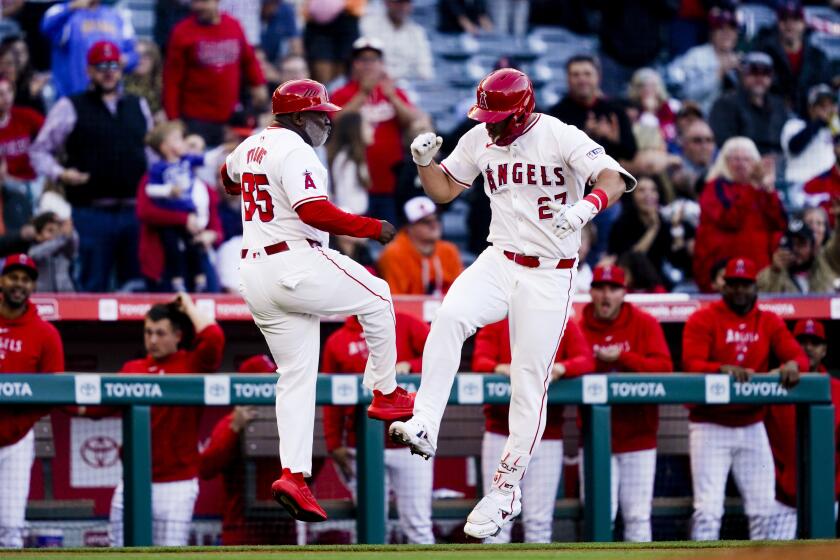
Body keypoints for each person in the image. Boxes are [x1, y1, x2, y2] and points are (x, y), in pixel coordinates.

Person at [388, 67, 636, 539]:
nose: (491, 124)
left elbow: (615, 178)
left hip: (551, 273)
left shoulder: (558, 133)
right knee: (449, 317)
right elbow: (443, 190)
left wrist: (588, 206)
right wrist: (424, 164)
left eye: (498, 116)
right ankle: (424, 422)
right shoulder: (481, 136)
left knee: (527, 380)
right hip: (499, 257)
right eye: (487, 116)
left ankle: (506, 488)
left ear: (521, 110)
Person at [222, 79, 413, 522]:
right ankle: (385, 391)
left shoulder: (251, 144)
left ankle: (294, 475)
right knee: (379, 294)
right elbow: (313, 211)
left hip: (255, 271)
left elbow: (227, 179)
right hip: (294, 260)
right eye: (318, 114)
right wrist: (369, 227)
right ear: (294, 116)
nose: (327, 120)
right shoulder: (293, 148)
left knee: (296, 377)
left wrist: (256, 187)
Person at [78, 293, 225, 546]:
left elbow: (214, 338)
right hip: (134, 481)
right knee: (119, 551)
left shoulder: (192, 364)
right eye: (148, 332)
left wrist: (188, 306)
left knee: (169, 553)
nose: (153, 340)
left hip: (176, 485)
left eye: (160, 333)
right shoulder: (132, 369)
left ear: (178, 336)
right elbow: (95, 408)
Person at [682, 257, 807, 541]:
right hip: (710, 425)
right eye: (734, 284)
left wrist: (793, 364)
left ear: (755, 287)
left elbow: (796, 354)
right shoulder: (704, 317)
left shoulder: (768, 320)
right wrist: (720, 368)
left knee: (764, 509)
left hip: (752, 423)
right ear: (724, 285)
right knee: (708, 512)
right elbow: (691, 363)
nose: (739, 290)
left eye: (745, 284)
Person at [30, 41, 151, 292]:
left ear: (120, 69)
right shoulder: (70, 106)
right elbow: (40, 151)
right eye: (101, 66)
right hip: (91, 213)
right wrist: (60, 173)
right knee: (91, 286)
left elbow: (151, 151)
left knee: (137, 288)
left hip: (135, 212)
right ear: (89, 71)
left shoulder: (138, 105)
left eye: (113, 65)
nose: (108, 72)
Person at [472, 316, 593, 543]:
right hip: (501, 434)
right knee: (495, 521)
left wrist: (563, 367)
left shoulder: (561, 321)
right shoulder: (499, 322)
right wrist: (497, 367)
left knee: (539, 523)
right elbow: (480, 360)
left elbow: (586, 360)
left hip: (547, 436)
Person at [578, 264, 672, 541]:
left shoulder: (644, 323)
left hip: (638, 440)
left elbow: (665, 369)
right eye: (600, 288)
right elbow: (567, 366)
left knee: (638, 518)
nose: (606, 295)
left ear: (624, 293)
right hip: (595, 442)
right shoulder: (578, 326)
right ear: (591, 292)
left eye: (613, 289)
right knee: (598, 517)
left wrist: (622, 357)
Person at [322, 312, 434, 544]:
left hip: (410, 441)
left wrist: (411, 364)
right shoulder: (338, 340)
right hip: (360, 446)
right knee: (371, 527)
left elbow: (442, 356)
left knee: (418, 524)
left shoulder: (407, 323)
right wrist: (334, 444)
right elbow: (330, 402)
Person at [0, 254, 63, 548]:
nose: (19, 284)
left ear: (33, 286)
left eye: (26, 279)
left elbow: (53, 392)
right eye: (13, 277)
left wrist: (18, 425)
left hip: (16, 441)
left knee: (10, 527)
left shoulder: (45, 334)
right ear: (2, 280)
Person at [198, 354, 291, 545]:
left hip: (284, 523)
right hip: (242, 524)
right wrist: (234, 429)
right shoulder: (230, 422)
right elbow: (206, 468)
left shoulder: (288, 419)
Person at [331, 37, 423, 225]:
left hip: (389, 182)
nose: (368, 65)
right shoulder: (342, 93)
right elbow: (335, 123)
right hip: (354, 183)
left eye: (373, 60)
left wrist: (392, 97)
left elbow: (413, 121)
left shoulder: (392, 92)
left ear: (382, 64)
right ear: (354, 64)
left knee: (388, 236)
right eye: (362, 60)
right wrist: (363, 94)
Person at [764, 319, 840, 540]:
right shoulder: (772, 386)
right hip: (781, 500)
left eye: (814, 343)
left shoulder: (837, 389)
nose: (807, 348)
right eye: (801, 342)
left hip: (827, 497)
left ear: (824, 350)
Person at [163, 0, 267, 146]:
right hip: (196, 118)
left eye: (204, 2)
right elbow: (172, 79)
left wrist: (258, 83)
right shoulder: (182, 32)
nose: (198, 7)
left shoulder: (233, 25)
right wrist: (173, 118)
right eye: (194, 2)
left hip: (231, 114)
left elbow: (248, 59)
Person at [692, 137, 787, 292]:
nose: (741, 164)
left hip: (761, 273)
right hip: (725, 275)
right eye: (735, 159)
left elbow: (780, 223)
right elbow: (729, 220)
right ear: (725, 162)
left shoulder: (762, 191)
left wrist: (769, 191)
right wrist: (753, 187)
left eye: (746, 159)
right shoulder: (713, 188)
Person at [144, 120, 212, 293]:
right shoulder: (157, 172)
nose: (192, 151)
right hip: (164, 251)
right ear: (165, 147)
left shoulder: (205, 187)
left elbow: (216, 225)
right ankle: (177, 279)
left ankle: (199, 278)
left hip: (194, 237)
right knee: (172, 247)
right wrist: (182, 217)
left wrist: (211, 234)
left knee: (194, 248)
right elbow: (146, 209)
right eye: (185, 142)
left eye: (198, 147)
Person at [40, 0, 138, 98]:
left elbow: (134, 56)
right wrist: (72, 6)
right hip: (74, 96)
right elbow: (47, 27)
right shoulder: (65, 12)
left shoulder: (117, 16)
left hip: (109, 97)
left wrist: (123, 60)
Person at [751, 1, 832, 115]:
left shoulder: (818, 57)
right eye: (784, 19)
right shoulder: (763, 54)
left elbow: (824, 92)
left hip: (810, 119)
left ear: (803, 24)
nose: (789, 24)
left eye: (795, 19)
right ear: (778, 23)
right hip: (770, 117)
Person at [377, 196, 463, 296]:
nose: (434, 225)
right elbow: (396, 300)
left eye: (436, 219)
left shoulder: (449, 251)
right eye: (425, 222)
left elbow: (459, 294)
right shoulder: (394, 253)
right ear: (409, 227)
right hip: (405, 310)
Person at [709, 52, 788, 156]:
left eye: (766, 72)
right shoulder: (725, 104)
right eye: (753, 71)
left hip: (778, 165)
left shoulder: (778, 105)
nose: (759, 78)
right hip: (741, 163)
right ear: (741, 75)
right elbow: (725, 145)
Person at [667, 6, 741, 116]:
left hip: (733, 121)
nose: (727, 33)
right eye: (721, 29)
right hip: (701, 117)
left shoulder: (741, 60)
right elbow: (687, 94)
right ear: (711, 33)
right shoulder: (695, 56)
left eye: (731, 29)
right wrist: (719, 74)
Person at [781, 84, 838, 203]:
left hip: (827, 186)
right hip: (799, 185)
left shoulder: (834, 130)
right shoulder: (794, 125)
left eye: (830, 105)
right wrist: (818, 122)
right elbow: (795, 147)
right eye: (822, 106)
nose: (827, 110)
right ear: (810, 107)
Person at [757, 214, 840, 294]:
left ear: (812, 247)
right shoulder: (772, 273)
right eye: (790, 243)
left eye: (801, 243)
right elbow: (766, 300)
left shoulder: (825, 262)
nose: (795, 249)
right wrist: (775, 272)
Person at [360, 0, 434, 81]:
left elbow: (425, 71)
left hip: (410, 86)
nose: (403, 7)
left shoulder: (417, 32)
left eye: (407, 3)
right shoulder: (368, 25)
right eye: (398, 2)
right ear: (386, 3)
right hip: (375, 84)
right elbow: (367, 63)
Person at [327, 111, 371, 216]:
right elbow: (343, 197)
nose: (372, 130)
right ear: (355, 131)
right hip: (351, 219)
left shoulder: (356, 157)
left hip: (356, 216)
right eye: (367, 127)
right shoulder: (347, 160)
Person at [27, 210, 77, 292]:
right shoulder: (34, 250)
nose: (55, 235)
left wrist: (70, 230)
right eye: (50, 231)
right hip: (42, 298)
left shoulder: (64, 250)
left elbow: (74, 242)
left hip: (66, 297)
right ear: (38, 235)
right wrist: (63, 238)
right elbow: (35, 255)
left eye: (57, 231)